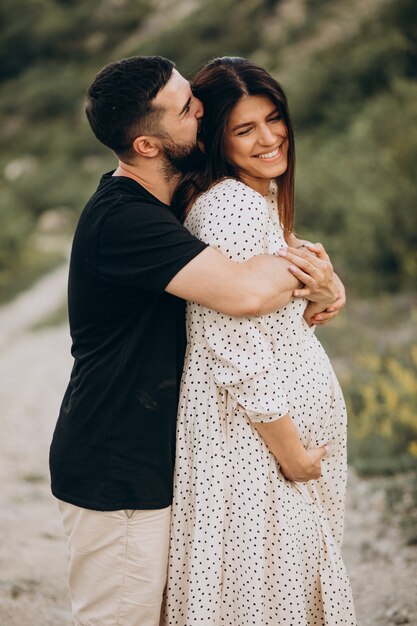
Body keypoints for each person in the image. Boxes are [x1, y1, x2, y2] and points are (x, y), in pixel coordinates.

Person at [49, 55, 343, 626]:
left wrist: (326, 282)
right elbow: (243, 294)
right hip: (119, 467)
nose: (202, 109)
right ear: (148, 146)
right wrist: (318, 277)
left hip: (154, 459)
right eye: (187, 108)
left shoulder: (166, 203)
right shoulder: (124, 220)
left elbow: (262, 250)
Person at [162, 57, 356, 625]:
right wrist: (291, 451)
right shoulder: (229, 208)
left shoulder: (256, 197)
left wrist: (325, 289)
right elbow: (232, 346)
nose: (270, 138)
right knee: (260, 598)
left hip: (264, 436)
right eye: (245, 129)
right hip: (253, 441)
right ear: (215, 138)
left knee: (275, 591)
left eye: (274, 119)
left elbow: (288, 290)